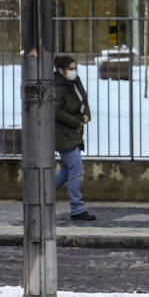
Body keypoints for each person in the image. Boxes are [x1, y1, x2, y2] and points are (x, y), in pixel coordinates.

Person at [52, 55, 95, 221]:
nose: (74, 71)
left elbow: (83, 101)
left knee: (67, 169)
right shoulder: (59, 86)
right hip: (63, 133)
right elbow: (55, 110)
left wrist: (86, 114)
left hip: (73, 132)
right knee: (76, 169)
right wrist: (75, 121)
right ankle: (77, 208)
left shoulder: (74, 82)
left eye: (75, 68)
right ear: (61, 70)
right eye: (70, 68)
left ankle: (42, 195)